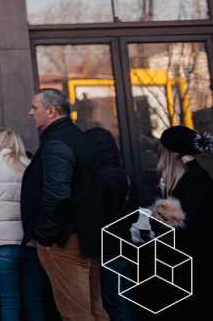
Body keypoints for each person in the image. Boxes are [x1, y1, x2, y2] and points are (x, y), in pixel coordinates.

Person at [20, 89, 107, 321]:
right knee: (95, 310)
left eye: (34, 107)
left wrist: (46, 236)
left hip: (65, 241)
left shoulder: (57, 143)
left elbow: (57, 194)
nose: (30, 113)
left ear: (51, 111)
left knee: (76, 314)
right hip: (86, 236)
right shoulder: (79, 139)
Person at [0, 129, 45, 321]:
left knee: (9, 301)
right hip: (31, 242)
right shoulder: (30, 165)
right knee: (35, 301)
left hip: (1, 242)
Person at [153, 125, 213, 317]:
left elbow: (189, 223)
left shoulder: (191, 178)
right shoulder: (189, 175)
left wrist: (158, 220)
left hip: (195, 261)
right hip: (192, 259)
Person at [83, 128, 137, 321]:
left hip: (107, 251)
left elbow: (94, 214)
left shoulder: (99, 178)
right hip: (126, 247)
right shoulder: (127, 176)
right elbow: (133, 216)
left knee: (115, 305)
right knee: (127, 302)